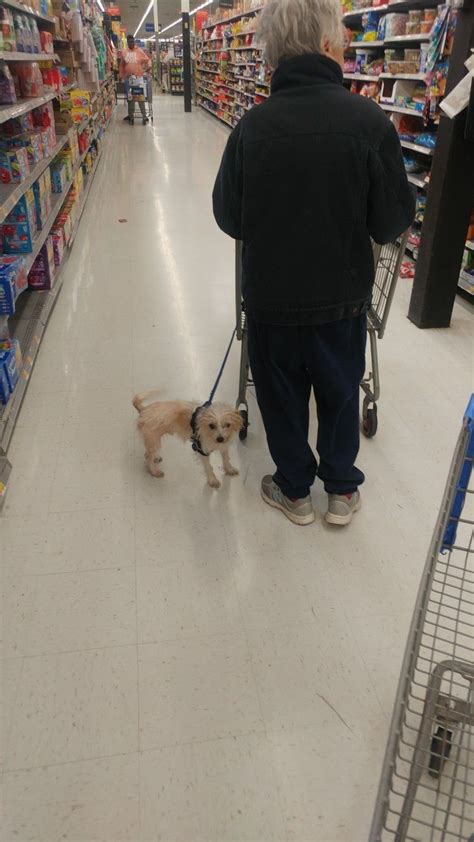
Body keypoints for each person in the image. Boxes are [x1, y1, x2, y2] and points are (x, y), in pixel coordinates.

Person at [213, 0, 415, 527]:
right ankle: (342, 492)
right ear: (327, 45)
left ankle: (293, 490)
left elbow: (228, 216)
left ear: (274, 52)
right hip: (343, 298)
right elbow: (392, 221)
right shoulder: (370, 123)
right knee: (340, 391)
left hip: (271, 300)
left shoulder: (251, 128)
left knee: (279, 397)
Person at [120, 34, 151, 124]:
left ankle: (144, 116)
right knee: (130, 98)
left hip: (138, 78)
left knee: (140, 97)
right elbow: (122, 65)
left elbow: (147, 60)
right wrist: (121, 76)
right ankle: (131, 116)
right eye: (129, 42)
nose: (131, 43)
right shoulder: (124, 52)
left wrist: (148, 68)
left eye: (132, 41)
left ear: (134, 41)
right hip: (128, 79)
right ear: (127, 42)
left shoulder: (139, 51)